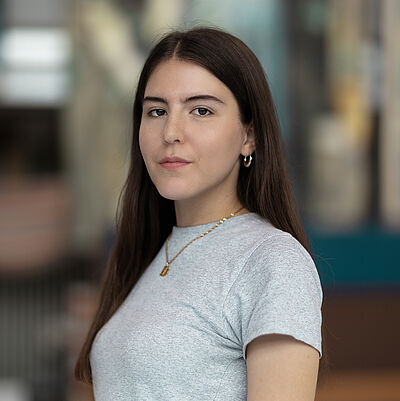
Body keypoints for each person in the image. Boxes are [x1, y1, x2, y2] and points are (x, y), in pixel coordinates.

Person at [75, 27, 325, 400]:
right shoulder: (146, 251)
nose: (171, 132)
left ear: (248, 136)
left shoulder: (272, 261)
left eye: (201, 110)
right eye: (156, 110)